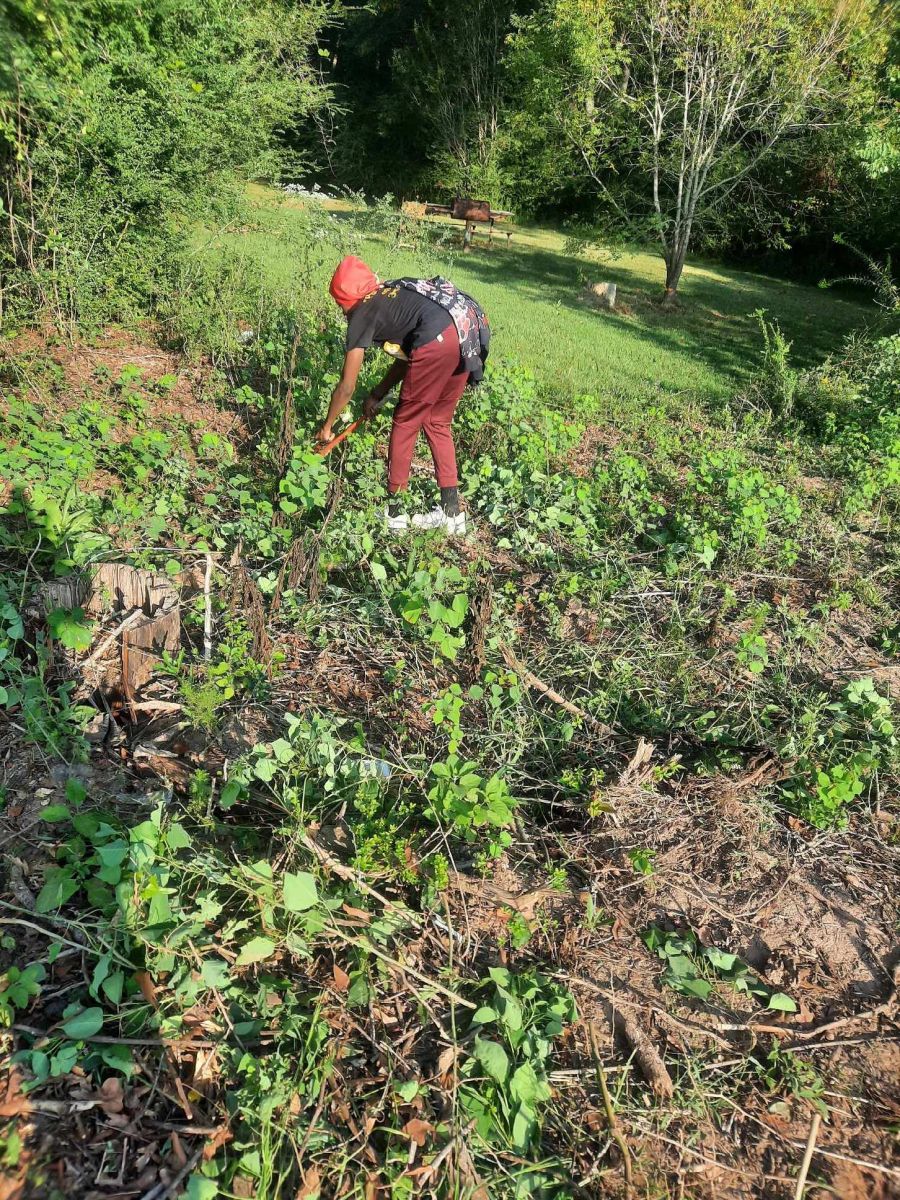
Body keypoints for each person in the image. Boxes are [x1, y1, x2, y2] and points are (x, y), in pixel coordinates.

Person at [317, 255, 488, 535]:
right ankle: (452, 516)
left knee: (406, 421)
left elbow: (346, 387)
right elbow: (413, 353)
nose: (342, 311)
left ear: (346, 297)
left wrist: (326, 428)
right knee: (436, 421)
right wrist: (378, 392)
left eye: (339, 304)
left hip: (441, 337)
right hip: (466, 330)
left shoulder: (363, 311)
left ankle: (394, 515)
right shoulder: (391, 294)